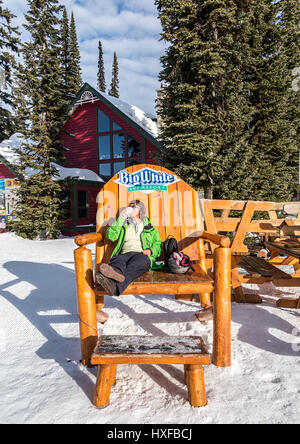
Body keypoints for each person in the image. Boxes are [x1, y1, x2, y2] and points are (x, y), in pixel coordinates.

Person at [95, 199, 162, 301]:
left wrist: (150, 251)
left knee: (136, 264)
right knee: (118, 261)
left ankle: (114, 285)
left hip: (141, 254)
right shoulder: (123, 225)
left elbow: (157, 245)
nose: (131, 208)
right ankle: (115, 275)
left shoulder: (150, 228)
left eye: (134, 206)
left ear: (141, 210)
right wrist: (121, 219)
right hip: (125, 253)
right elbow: (110, 236)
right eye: (130, 206)